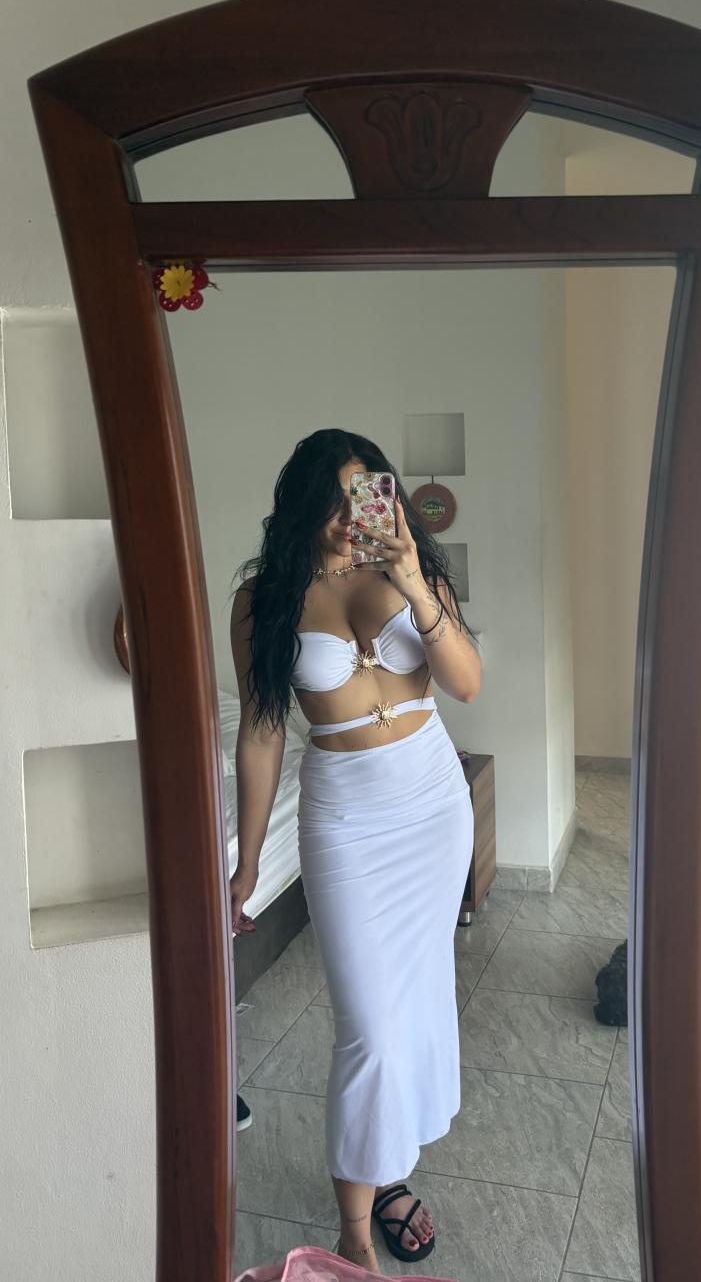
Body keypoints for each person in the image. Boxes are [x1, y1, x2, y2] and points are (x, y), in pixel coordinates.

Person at [228, 429, 481, 1273]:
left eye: (363, 495)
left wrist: (410, 579)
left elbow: (466, 682)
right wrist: (247, 861)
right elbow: (262, 733)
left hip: (432, 804)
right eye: (332, 500)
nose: (348, 516)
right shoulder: (264, 600)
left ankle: (390, 1172)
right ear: (300, 502)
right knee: (368, 1028)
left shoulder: (413, 570)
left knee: (417, 1001)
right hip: (347, 818)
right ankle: (353, 1233)